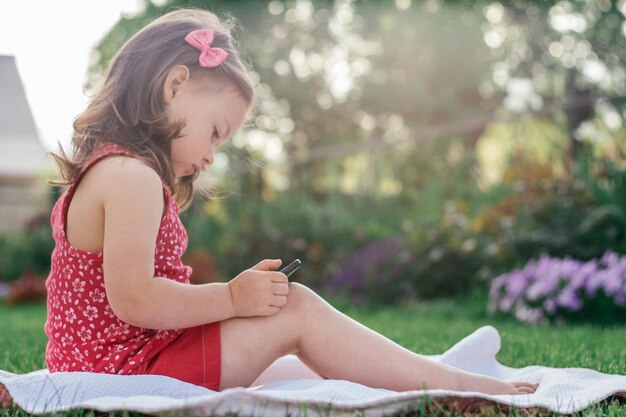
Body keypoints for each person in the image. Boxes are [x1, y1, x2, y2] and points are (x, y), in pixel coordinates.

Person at [39, 7, 539, 396]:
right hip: (127, 370)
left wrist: (236, 309)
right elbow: (137, 300)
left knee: (294, 366)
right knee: (295, 309)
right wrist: (232, 299)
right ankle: (451, 385)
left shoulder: (113, 168)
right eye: (215, 132)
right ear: (175, 85)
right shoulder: (131, 178)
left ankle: (417, 373)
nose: (212, 156)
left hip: (117, 361)